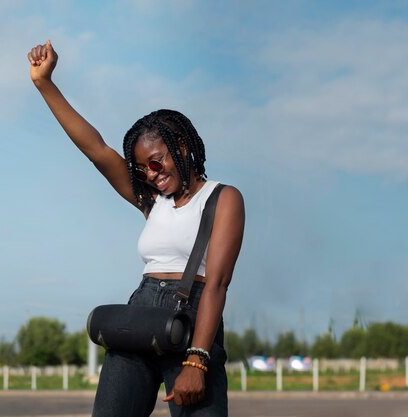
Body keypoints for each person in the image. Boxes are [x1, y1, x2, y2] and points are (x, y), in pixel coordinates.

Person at [27, 40, 245, 417]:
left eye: (157, 163)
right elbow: (96, 149)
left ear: (181, 146)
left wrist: (197, 360)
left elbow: (217, 284)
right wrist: (44, 84)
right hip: (140, 314)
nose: (151, 175)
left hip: (194, 321)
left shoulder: (223, 198)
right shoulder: (152, 201)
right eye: (143, 168)